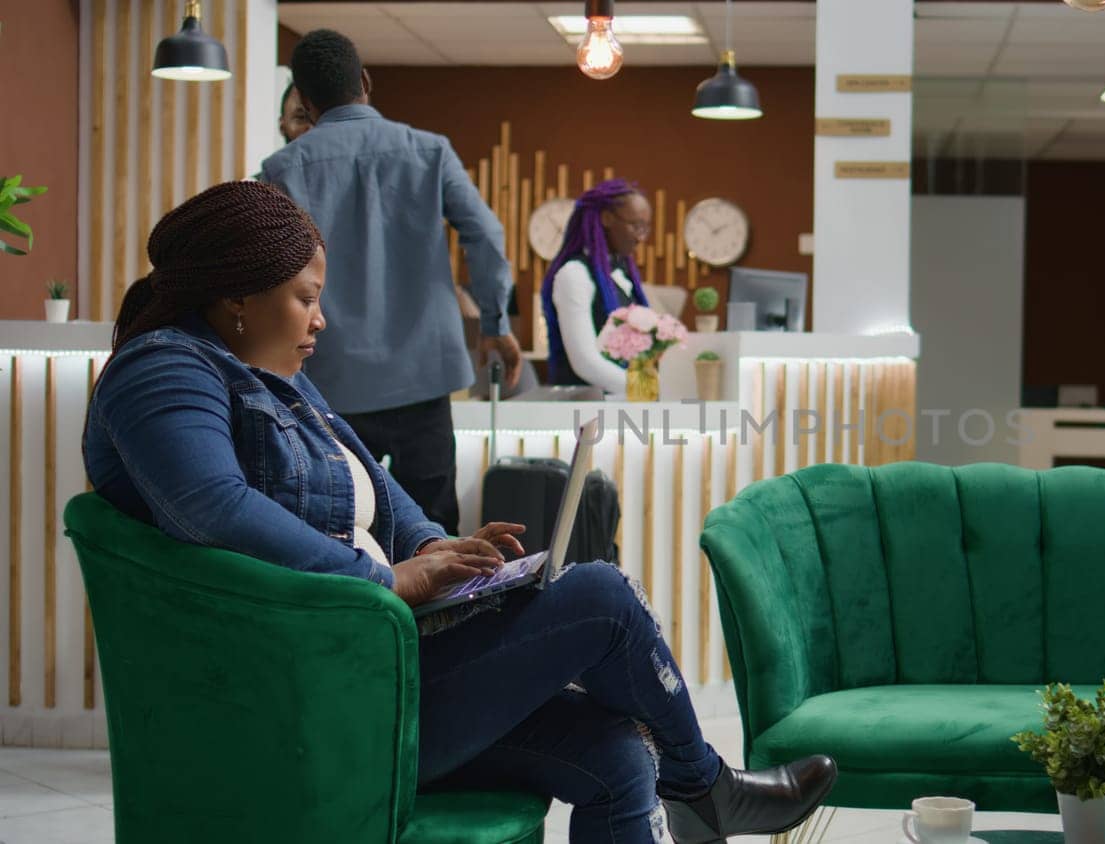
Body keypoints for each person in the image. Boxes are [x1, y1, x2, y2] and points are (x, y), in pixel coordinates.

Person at [82, 181, 836, 844]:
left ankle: (699, 789)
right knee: (600, 597)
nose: (321, 320)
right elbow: (212, 507)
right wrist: (387, 580)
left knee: (614, 750)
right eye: (306, 299)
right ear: (234, 297)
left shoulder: (273, 376)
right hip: (307, 705)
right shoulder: (162, 368)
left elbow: (380, 491)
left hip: (369, 672)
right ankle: (705, 788)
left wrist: (444, 550)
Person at [261, 29, 522, 535]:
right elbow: (487, 234)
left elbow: (267, 271)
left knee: (340, 530)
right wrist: (494, 322)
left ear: (305, 101)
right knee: (434, 534)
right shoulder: (430, 151)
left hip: (328, 383)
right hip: (423, 380)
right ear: (364, 81)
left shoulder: (282, 169)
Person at [541, 180, 654, 395]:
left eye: (645, 228)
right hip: (579, 413)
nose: (641, 237)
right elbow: (585, 362)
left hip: (614, 407)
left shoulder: (620, 274)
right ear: (607, 218)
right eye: (636, 226)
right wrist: (648, 390)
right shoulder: (574, 274)